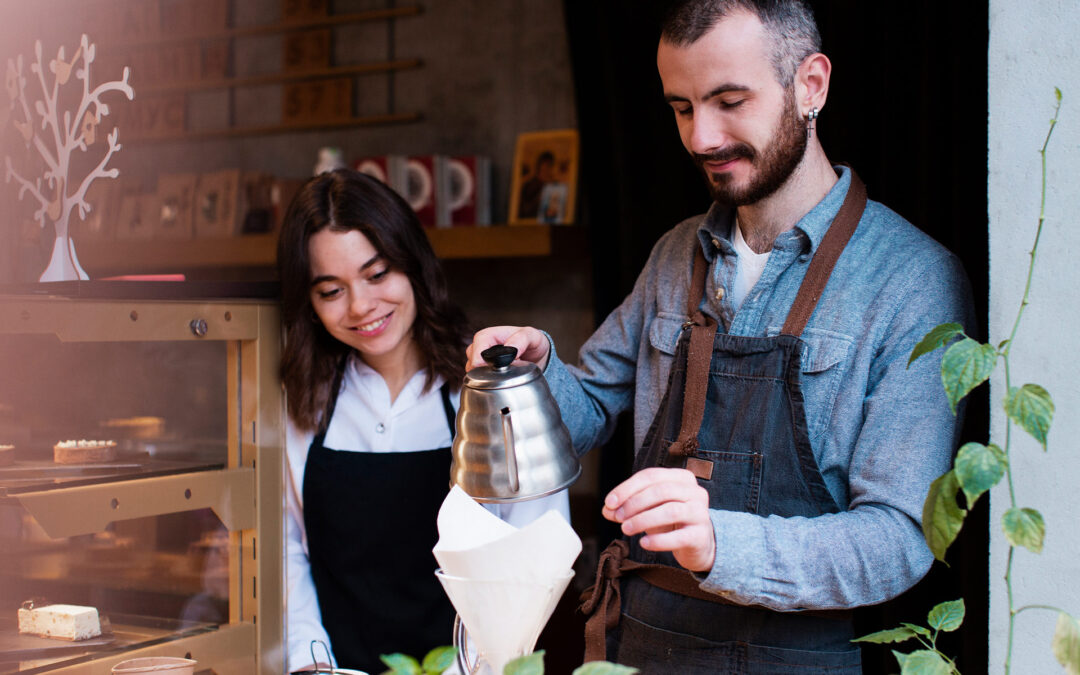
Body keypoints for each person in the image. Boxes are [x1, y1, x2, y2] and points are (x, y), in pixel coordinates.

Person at [467, 1, 975, 672]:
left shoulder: (911, 279)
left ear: (811, 85)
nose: (702, 137)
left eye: (730, 101)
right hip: (640, 647)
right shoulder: (676, 253)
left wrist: (720, 544)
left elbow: (900, 539)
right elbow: (586, 411)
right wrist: (530, 373)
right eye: (682, 107)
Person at [279, 169, 568, 674]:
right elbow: (285, 553)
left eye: (377, 274)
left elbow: (536, 558)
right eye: (331, 290)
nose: (361, 306)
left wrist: (468, 669)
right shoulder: (300, 404)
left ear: (413, 264)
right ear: (308, 302)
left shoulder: (489, 390)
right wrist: (310, 665)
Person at [517, 151, 555, 219]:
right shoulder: (529, 185)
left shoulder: (553, 184)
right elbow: (524, 210)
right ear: (540, 166)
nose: (548, 169)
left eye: (550, 165)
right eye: (546, 165)